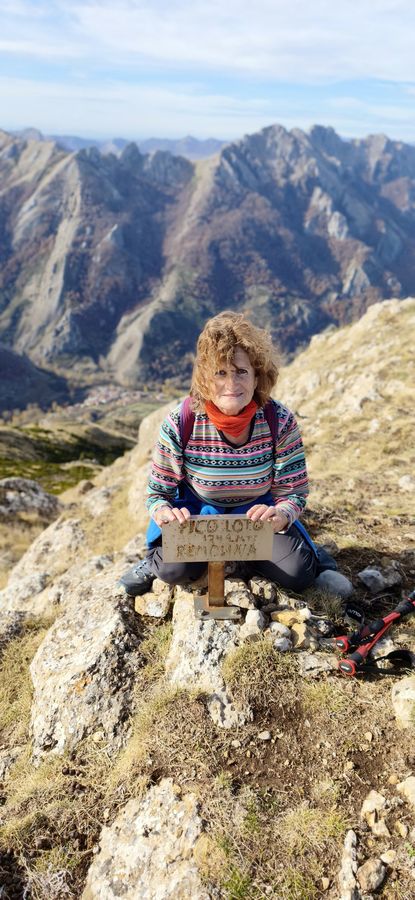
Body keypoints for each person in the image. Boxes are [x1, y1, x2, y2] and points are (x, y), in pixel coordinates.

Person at [119, 311, 318, 596]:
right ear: (205, 378)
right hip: (198, 516)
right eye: (220, 373)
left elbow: (294, 491)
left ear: (257, 376)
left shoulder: (279, 421)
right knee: (174, 571)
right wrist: (165, 513)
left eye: (241, 372)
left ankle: (244, 557)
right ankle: (158, 562)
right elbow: (157, 494)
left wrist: (282, 514)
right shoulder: (181, 422)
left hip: (255, 520)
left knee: (299, 573)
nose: (231, 384)